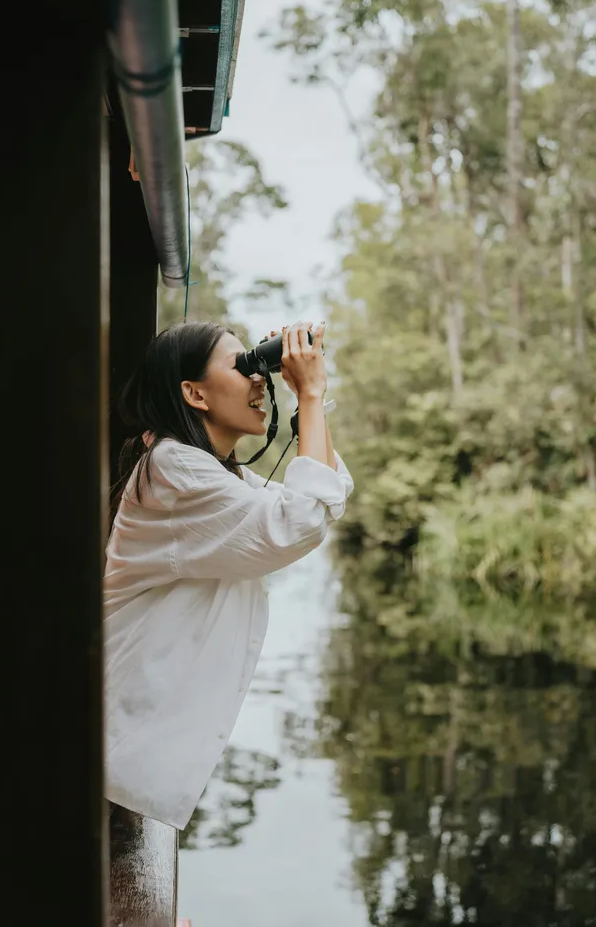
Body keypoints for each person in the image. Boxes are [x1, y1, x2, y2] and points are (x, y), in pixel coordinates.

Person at [104, 319, 353, 837]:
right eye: (243, 367)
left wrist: (304, 396)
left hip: (113, 745)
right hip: (101, 743)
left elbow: (324, 499)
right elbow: (299, 522)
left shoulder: (209, 471)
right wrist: (309, 393)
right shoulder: (175, 470)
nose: (258, 379)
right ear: (194, 393)